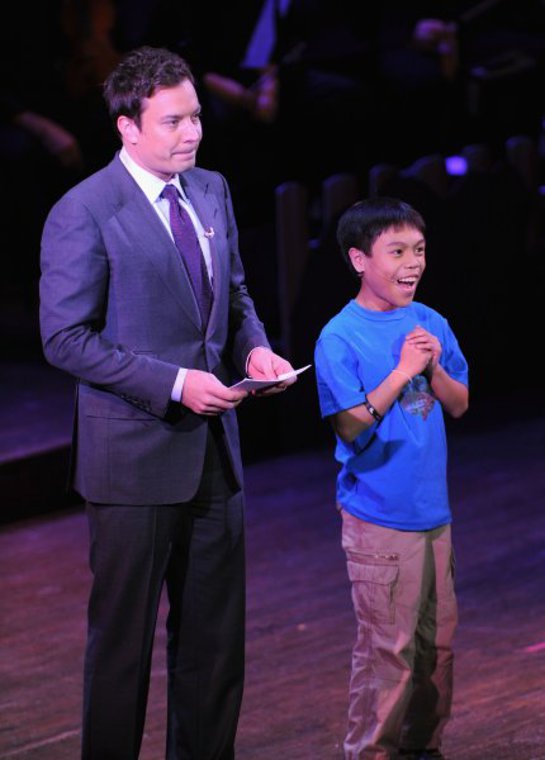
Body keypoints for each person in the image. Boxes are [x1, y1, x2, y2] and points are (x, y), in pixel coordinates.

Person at [39, 45, 295, 760]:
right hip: (132, 459)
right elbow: (65, 338)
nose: (192, 134)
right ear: (127, 127)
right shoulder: (83, 211)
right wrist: (176, 383)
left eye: (196, 118)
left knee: (213, 646)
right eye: (173, 122)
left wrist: (253, 348)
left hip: (215, 456)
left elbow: (235, 294)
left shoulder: (210, 189)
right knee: (122, 648)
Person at [314, 197, 469, 760]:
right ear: (359, 259)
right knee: (389, 653)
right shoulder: (340, 336)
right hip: (378, 519)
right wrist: (402, 371)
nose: (413, 263)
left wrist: (432, 368)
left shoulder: (432, 322)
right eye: (397, 251)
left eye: (419, 250)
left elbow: (458, 403)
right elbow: (353, 428)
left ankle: (424, 749)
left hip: (434, 514)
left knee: (437, 651)